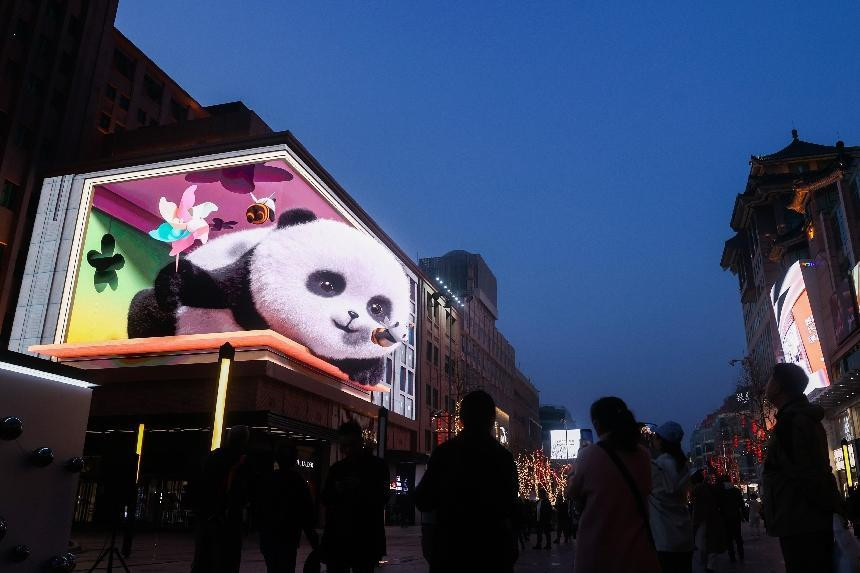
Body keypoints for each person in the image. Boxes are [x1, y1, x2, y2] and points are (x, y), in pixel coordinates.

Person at [415, 390, 519, 573]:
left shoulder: (445, 453)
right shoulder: (503, 458)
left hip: (451, 551)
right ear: (492, 420)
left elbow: (423, 499)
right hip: (493, 552)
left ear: (461, 419)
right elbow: (510, 506)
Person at [762, 363, 842, 573]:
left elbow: (806, 475)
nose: (767, 384)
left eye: (771, 378)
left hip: (800, 523)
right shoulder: (801, 419)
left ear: (779, 387)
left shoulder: (790, 424)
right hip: (806, 521)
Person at [566, 397, 660, 573]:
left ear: (597, 424)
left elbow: (572, 491)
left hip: (599, 552)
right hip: (638, 553)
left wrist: (575, 465)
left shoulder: (589, 455)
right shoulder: (643, 456)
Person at [320, 420, 389, 573]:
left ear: (360, 441)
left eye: (350, 445)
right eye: (344, 446)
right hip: (342, 538)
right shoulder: (338, 469)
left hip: (363, 538)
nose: (347, 450)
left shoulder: (377, 467)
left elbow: (383, 498)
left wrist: (359, 488)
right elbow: (325, 498)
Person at [190, 425, 250, 573]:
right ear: (244, 442)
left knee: (202, 559)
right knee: (227, 562)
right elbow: (244, 493)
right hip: (228, 520)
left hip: (206, 517)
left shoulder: (211, 457)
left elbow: (198, 484)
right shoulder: (242, 463)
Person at [255, 442, 319, 573]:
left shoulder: (267, 480)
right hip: (288, 539)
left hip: (269, 537)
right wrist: (313, 541)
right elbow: (306, 513)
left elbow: (258, 507)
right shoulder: (297, 482)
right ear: (294, 460)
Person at [648, 421, 694, 573]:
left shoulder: (657, 466)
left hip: (664, 536)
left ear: (662, 442)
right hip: (685, 534)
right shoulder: (684, 466)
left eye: (655, 437)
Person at [690, 471, 725, 573]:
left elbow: (697, 509)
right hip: (713, 518)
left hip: (703, 520)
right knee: (711, 544)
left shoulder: (697, 490)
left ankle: (707, 565)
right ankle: (710, 566)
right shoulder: (709, 488)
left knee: (702, 544)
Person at [717, 476, 745, 563]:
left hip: (725, 517)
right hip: (736, 516)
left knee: (729, 538)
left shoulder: (720, 492)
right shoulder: (736, 491)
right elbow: (741, 504)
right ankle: (741, 554)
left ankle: (732, 556)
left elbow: (718, 505)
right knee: (738, 536)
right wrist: (743, 515)